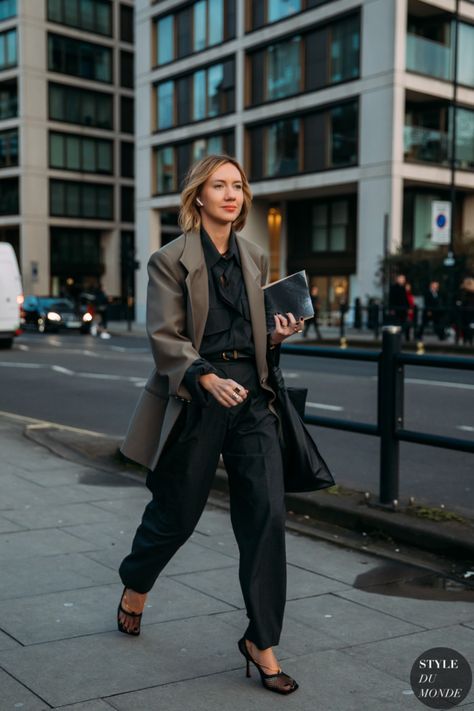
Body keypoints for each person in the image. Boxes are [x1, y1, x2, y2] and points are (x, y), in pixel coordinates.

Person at [116, 155, 301, 695]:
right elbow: (166, 337)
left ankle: (261, 641)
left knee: (267, 515)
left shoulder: (256, 255)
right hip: (197, 398)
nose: (230, 194)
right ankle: (135, 584)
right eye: (218, 185)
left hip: (252, 399)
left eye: (238, 186)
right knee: (176, 514)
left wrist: (277, 337)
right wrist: (203, 377)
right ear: (198, 196)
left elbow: (254, 331)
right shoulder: (168, 259)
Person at [388, 274, 410, 340]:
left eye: (403, 279)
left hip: (403, 309)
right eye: (401, 279)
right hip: (396, 309)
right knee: (397, 324)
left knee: (405, 323)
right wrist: (391, 309)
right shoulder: (393, 287)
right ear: (397, 279)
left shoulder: (403, 288)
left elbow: (405, 299)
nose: (403, 280)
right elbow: (391, 299)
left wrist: (408, 307)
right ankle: (396, 338)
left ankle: (407, 338)